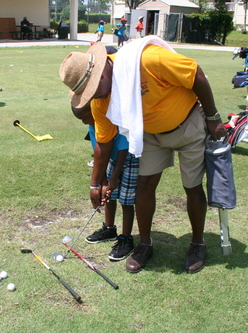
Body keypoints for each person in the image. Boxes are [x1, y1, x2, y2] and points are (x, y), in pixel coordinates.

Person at [59, 39, 227, 274]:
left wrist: (213, 117)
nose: (95, 94)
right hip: (149, 133)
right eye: (89, 93)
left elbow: (195, 74)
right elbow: (104, 144)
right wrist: (95, 183)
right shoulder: (100, 100)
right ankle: (145, 244)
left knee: (192, 186)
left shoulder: (147, 59)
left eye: (96, 85)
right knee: (144, 185)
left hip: (188, 122)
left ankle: (198, 243)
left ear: (104, 66)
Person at [73, 101, 138, 261]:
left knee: (126, 200)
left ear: (94, 110)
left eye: (84, 117)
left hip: (129, 159)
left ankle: (126, 239)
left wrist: (114, 177)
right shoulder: (92, 127)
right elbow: (98, 153)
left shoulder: (112, 121)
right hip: (111, 159)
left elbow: (123, 148)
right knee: (109, 196)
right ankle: (110, 229)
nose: (83, 121)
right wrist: (102, 180)